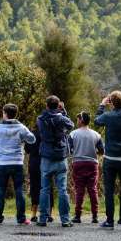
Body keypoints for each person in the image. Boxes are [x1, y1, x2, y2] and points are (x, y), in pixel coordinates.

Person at [0, 103, 36, 225]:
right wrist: (23, 139)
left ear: (5, 114)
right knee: (19, 190)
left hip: (3, 163)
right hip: (17, 163)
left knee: (1, 191)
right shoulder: (21, 127)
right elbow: (32, 139)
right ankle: (21, 218)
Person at [95, 91, 121, 231]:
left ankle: (110, 221)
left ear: (111, 102)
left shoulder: (107, 116)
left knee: (109, 190)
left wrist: (102, 105)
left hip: (111, 158)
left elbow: (96, 120)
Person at [36, 96, 75, 227]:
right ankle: (65, 219)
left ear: (46, 105)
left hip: (46, 156)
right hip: (60, 156)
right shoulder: (61, 118)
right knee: (62, 190)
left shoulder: (40, 119)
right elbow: (71, 124)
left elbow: (42, 123)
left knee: (44, 189)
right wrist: (63, 111)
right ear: (58, 105)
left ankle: (42, 219)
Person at [68, 111, 103, 224]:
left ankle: (78, 216)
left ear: (81, 120)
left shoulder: (73, 134)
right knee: (92, 189)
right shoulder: (96, 135)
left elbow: (70, 150)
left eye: (78, 119)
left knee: (79, 190)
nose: (77, 121)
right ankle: (95, 216)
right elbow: (102, 151)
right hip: (92, 164)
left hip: (78, 163)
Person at [25, 118, 43, 222]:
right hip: (45, 162)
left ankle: (33, 213)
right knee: (46, 187)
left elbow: (27, 150)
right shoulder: (46, 134)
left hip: (33, 162)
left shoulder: (31, 134)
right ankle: (48, 213)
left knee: (34, 188)